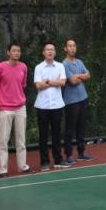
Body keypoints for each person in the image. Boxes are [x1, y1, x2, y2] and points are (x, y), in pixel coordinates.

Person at [0, 42, 31, 177]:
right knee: (3, 140)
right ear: (8, 52)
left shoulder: (23, 67)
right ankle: (3, 170)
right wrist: (5, 97)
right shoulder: (0, 67)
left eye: (18, 51)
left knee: (21, 140)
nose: (16, 53)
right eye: (14, 51)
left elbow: (23, 84)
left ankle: (22, 166)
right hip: (5, 109)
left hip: (21, 108)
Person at [34, 42, 68, 171]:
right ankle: (44, 163)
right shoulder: (38, 67)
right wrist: (55, 82)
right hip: (42, 106)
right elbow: (38, 85)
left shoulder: (60, 66)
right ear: (43, 52)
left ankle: (58, 160)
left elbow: (63, 82)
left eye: (52, 49)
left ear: (55, 52)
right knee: (43, 136)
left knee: (56, 135)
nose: (50, 52)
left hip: (57, 106)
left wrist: (47, 81)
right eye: (47, 50)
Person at [62, 39, 93, 163]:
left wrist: (79, 76)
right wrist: (82, 76)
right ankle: (69, 154)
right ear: (65, 49)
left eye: (74, 46)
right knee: (70, 129)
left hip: (83, 99)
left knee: (81, 127)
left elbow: (88, 75)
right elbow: (72, 81)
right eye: (69, 46)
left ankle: (81, 152)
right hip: (71, 101)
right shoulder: (64, 64)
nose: (72, 48)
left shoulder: (79, 62)